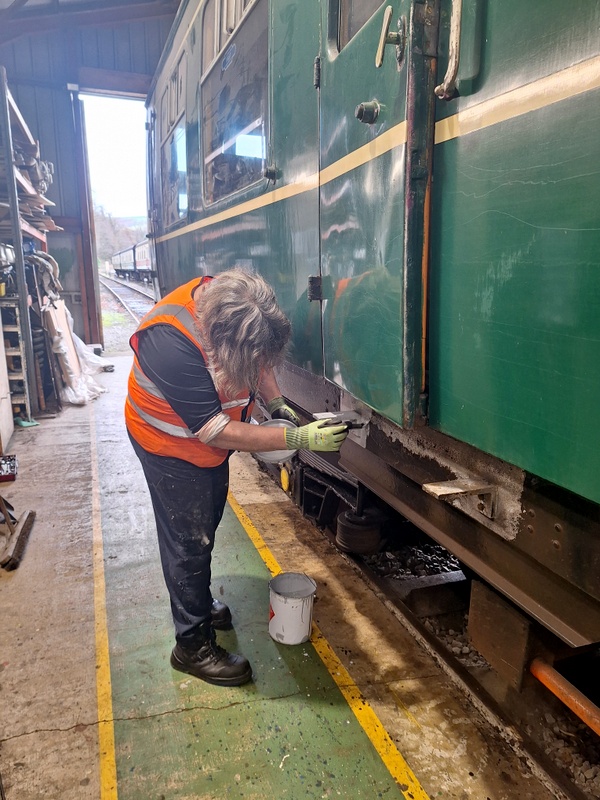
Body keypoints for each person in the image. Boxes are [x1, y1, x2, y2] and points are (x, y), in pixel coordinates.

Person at [125, 268, 348, 687]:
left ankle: (196, 600)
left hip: (208, 449)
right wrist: (295, 434)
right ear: (222, 343)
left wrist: (277, 402)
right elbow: (211, 429)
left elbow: (257, 360)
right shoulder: (169, 341)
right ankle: (191, 647)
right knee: (188, 539)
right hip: (166, 444)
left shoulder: (240, 308)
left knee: (206, 524)